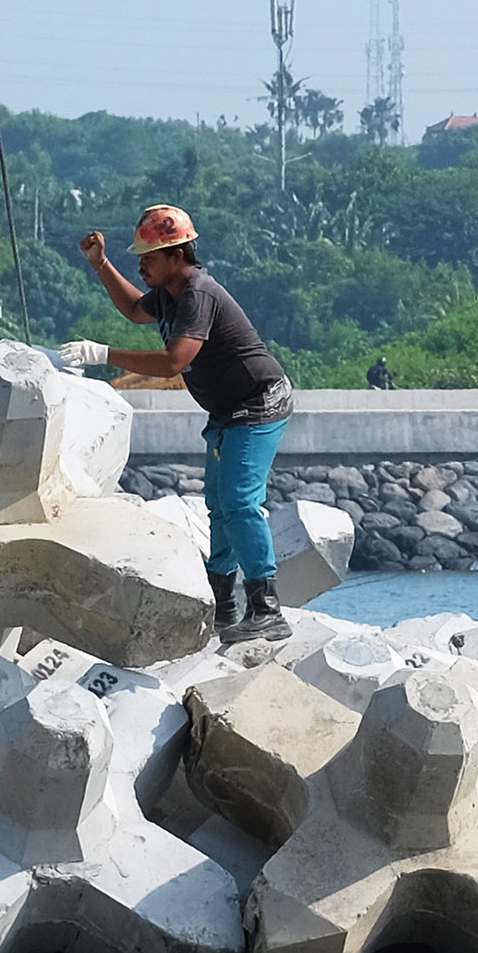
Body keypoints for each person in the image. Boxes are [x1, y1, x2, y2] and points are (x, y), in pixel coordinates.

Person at [59, 204, 295, 642]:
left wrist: (102, 354)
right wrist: (101, 265)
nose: (142, 265)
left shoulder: (197, 295)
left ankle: (266, 607)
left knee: (240, 502)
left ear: (177, 255)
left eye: (148, 257)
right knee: (220, 506)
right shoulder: (170, 294)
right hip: (228, 411)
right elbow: (134, 309)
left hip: (258, 404)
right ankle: (223, 604)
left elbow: (173, 362)